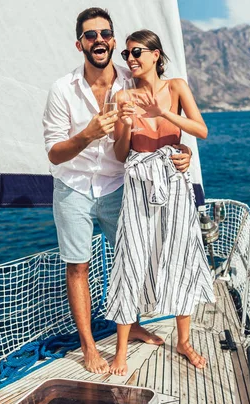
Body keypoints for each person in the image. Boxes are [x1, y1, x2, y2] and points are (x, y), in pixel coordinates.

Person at [42, 8, 193, 374]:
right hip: (72, 187)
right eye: (91, 35)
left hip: (118, 186)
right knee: (78, 266)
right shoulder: (62, 89)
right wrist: (88, 134)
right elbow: (54, 151)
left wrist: (183, 151)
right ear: (80, 43)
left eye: (105, 34)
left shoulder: (133, 80)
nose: (99, 40)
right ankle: (89, 345)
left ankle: (134, 323)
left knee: (134, 260)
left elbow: (163, 121)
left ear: (113, 40)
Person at [105, 29, 216, 376]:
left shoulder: (177, 87)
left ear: (156, 55)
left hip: (175, 186)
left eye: (137, 51)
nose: (131, 59)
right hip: (138, 188)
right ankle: (121, 350)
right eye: (126, 54)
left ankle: (184, 341)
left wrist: (162, 113)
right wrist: (123, 127)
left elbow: (201, 130)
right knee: (132, 260)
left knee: (182, 257)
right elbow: (122, 154)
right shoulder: (123, 98)